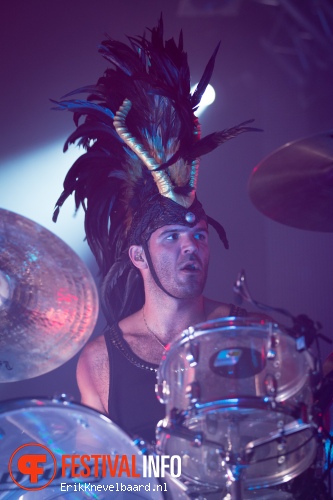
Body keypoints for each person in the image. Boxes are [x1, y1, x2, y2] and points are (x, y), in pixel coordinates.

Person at [53, 17, 255, 444]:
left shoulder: (245, 332)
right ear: (138, 256)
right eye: (172, 237)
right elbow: (101, 478)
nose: (191, 248)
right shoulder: (100, 361)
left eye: (199, 235)